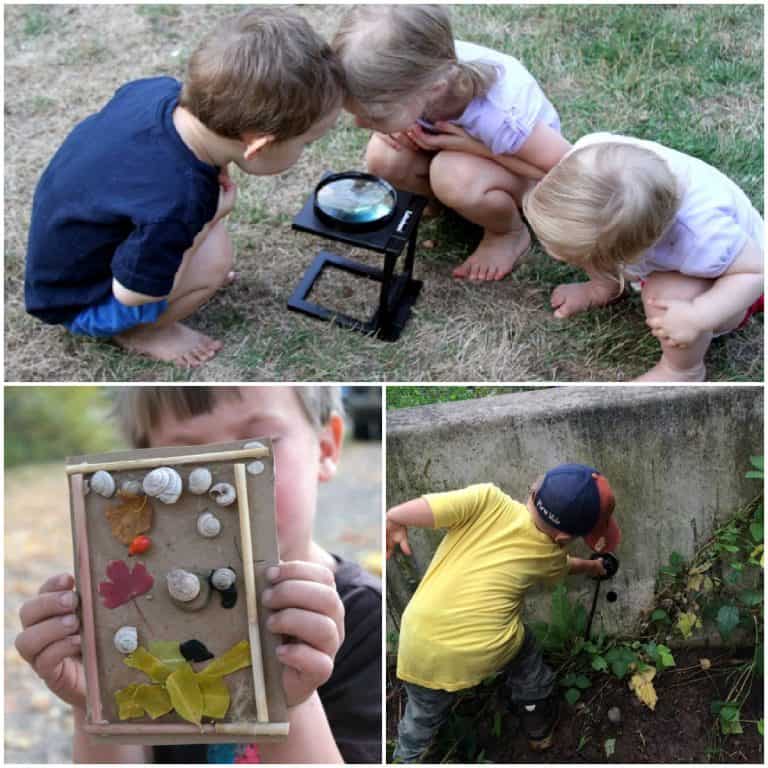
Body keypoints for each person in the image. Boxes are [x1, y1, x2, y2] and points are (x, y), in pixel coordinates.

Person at [15, 386, 382, 763]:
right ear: (141, 472)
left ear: (325, 449)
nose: (225, 477)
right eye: (188, 455)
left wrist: (286, 701)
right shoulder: (141, 617)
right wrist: (97, 699)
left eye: (260, 443)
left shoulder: (368, 620)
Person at [24, 10, 345, 367]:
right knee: (214, 262)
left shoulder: (157, 91)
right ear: (259, 144)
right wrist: (206, 222)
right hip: (80, 303)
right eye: (306, 143)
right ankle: (143, 332)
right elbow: (133, 293)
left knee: (202, 244)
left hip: (60, 263)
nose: (304, 152)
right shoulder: (180, 201)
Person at [386, 463, 621, 761]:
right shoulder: (549, 554)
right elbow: (567, 567)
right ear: (563, 539)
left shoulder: (485, 499)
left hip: (417, 638)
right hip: (482, 647)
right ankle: (537, 725)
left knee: (422, 714)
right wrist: (594, 566)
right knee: (526, 656)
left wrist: (394, 519)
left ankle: (406, 756)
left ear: (534, 487)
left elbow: (428, 508)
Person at [332, 4, 571, 282]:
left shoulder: (500, 113)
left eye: (374, 115)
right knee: (383, 157)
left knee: (452, 175)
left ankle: (507, 232)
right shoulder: (419, 72)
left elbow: (565, 170)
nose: (359, 125)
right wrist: (397, 124)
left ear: (431, 89)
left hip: (526, 174)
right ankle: (441, 204)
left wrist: (472, 147)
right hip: (456, 150)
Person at [523, 133, 764, 382]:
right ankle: (603, 286)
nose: (552, 254)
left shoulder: (704, 238)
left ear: (633, 254)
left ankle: (682, 370)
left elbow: (756, 271)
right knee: (590, 234)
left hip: (733, 277)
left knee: (664, 297)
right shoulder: (589, 156)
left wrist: (698, 314)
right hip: (640, 236)